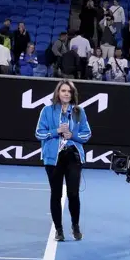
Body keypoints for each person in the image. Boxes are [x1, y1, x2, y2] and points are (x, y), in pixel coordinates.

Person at [35, 81, 92, 242]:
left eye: (69, 91)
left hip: (73, 156)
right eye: (63, 90)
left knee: (73, 193)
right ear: (58, 93)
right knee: (56, 194)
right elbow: (39, 133)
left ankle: (75, 225)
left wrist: (72, 136)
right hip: (53, 158)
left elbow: (87, 135)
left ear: (73, 94)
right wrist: (57, 131)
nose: (66, 94)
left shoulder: (79, 112)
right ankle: (58, 230)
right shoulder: (47, 111)